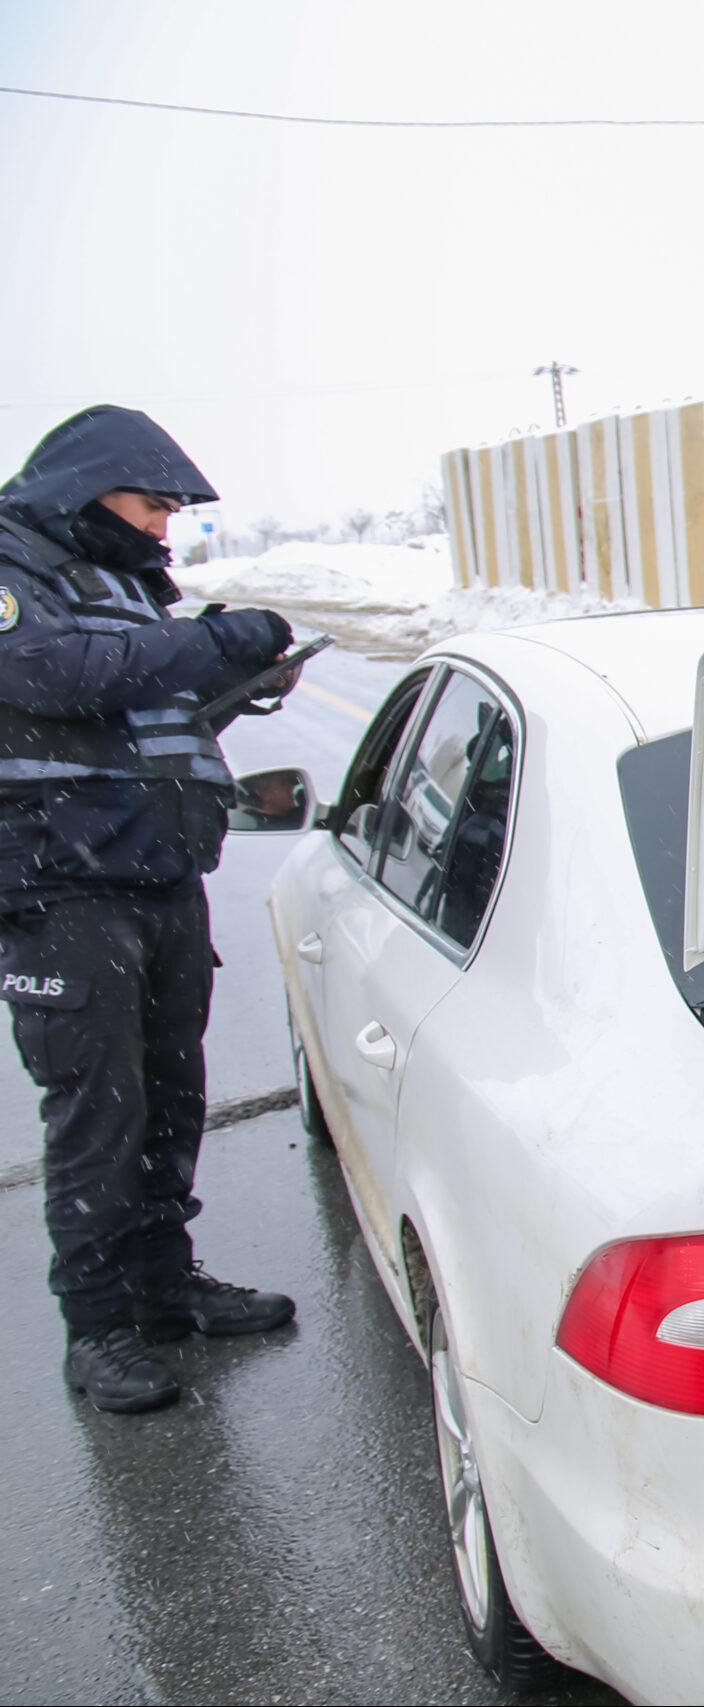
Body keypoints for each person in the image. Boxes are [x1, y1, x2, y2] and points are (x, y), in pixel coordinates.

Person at [0, 406, 304, 1415]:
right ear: (89, 486)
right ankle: (98, 1329)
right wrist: (208, 640)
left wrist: (235, 677)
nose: (163, 528)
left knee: (173, 1095)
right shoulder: (13, 566)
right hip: (64, 888)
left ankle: (167, 1287)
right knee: (99, 1113)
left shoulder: (126, 583)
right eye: (154, 506)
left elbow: (143, 709)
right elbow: (54, 675)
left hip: (160, 874)